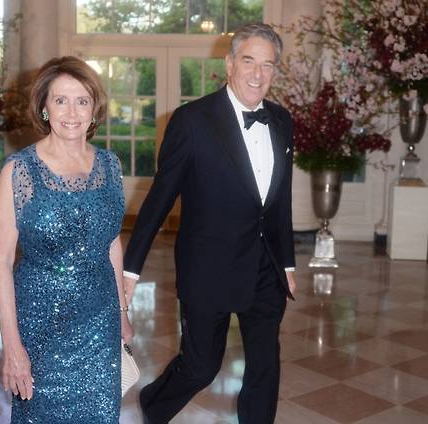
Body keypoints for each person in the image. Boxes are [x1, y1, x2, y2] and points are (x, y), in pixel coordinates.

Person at [122, 23, 297, 423]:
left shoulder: (283, 121)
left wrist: (287, 263)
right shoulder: (192, 121)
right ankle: (154, 404)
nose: (257, 74)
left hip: (265, 269)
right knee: (202, 367)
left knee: (266, 365)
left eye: (267, 65)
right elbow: (158, 201)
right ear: (229, 63)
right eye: (249, 61)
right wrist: (131, 268)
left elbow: (279, 200)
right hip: (208, 269)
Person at [0, 56, 133, 424]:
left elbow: (111, 243)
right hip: (41, 325)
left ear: (94, 108)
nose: (72, 112)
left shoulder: (110, 166)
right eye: (60, 100)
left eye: (82, 100)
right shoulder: (18, 172)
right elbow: (1, 262)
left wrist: (122, 314)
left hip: (100, 323)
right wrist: (12, 347)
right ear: (44, 106)